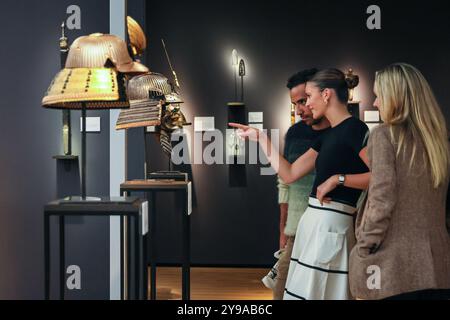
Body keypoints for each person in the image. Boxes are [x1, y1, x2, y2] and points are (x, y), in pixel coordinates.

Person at [230, 68, 370, 300]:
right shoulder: (327, 136)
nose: (307, 105)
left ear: (326, 94)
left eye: (309, 97)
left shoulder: (356, 129)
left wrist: (338, 179)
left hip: (332, 226)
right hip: (314, 225)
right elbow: (290, 174)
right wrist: (262, 139)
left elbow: (381, 177)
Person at [349, 63, 450, 300]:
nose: (375, 103)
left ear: (396, 97)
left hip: (395, 267)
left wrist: (364, 246)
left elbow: (382, 199)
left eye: (379, 96)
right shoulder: (438, 141)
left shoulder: (384, 135)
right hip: (439, 264)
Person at [272, 69, 330, 300]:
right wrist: (283, 228)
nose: (299, 109)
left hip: (326, 232)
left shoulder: (342, 132)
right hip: (296, 231)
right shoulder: (295, 133)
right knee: (282, 291)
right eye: (295, 103)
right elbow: (285, 182)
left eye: (303, 101)